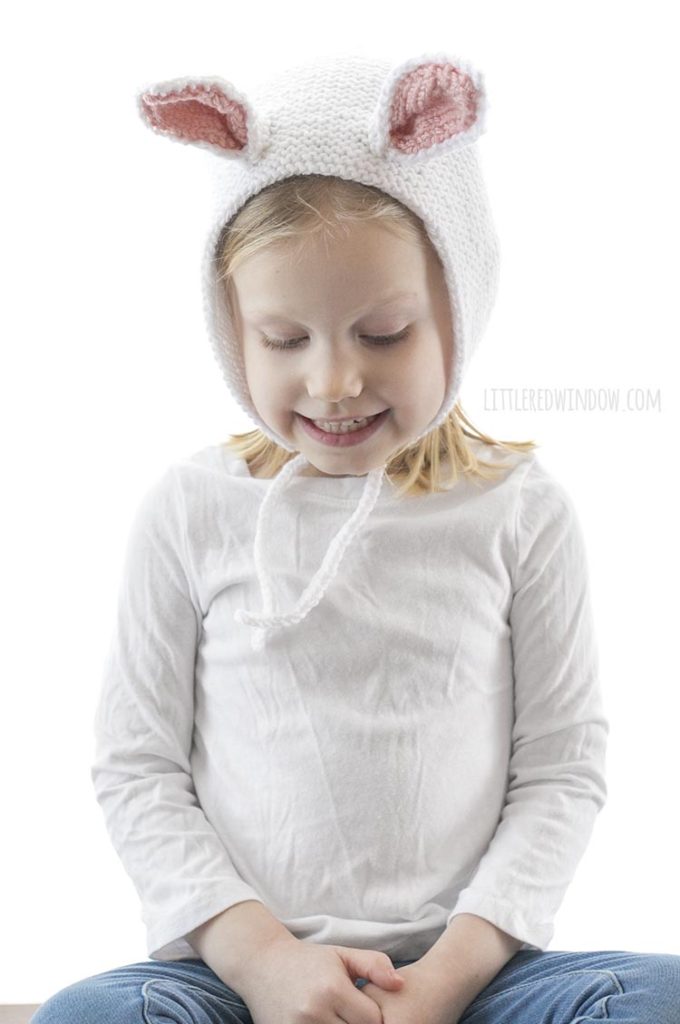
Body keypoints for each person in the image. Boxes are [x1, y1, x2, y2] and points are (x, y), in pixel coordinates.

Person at [32, 51, 680, 1024]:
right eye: (285, 340)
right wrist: (264, 963)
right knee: (94, 1015)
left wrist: (445, 979)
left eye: (382, 333)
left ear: (456, 313)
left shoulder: (517, 507)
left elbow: (559, 768)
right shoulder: (189, 507)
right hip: (238, 975)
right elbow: (137, 767)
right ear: (231, 332)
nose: (333, 381)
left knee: (653, 996)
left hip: (472, 974)